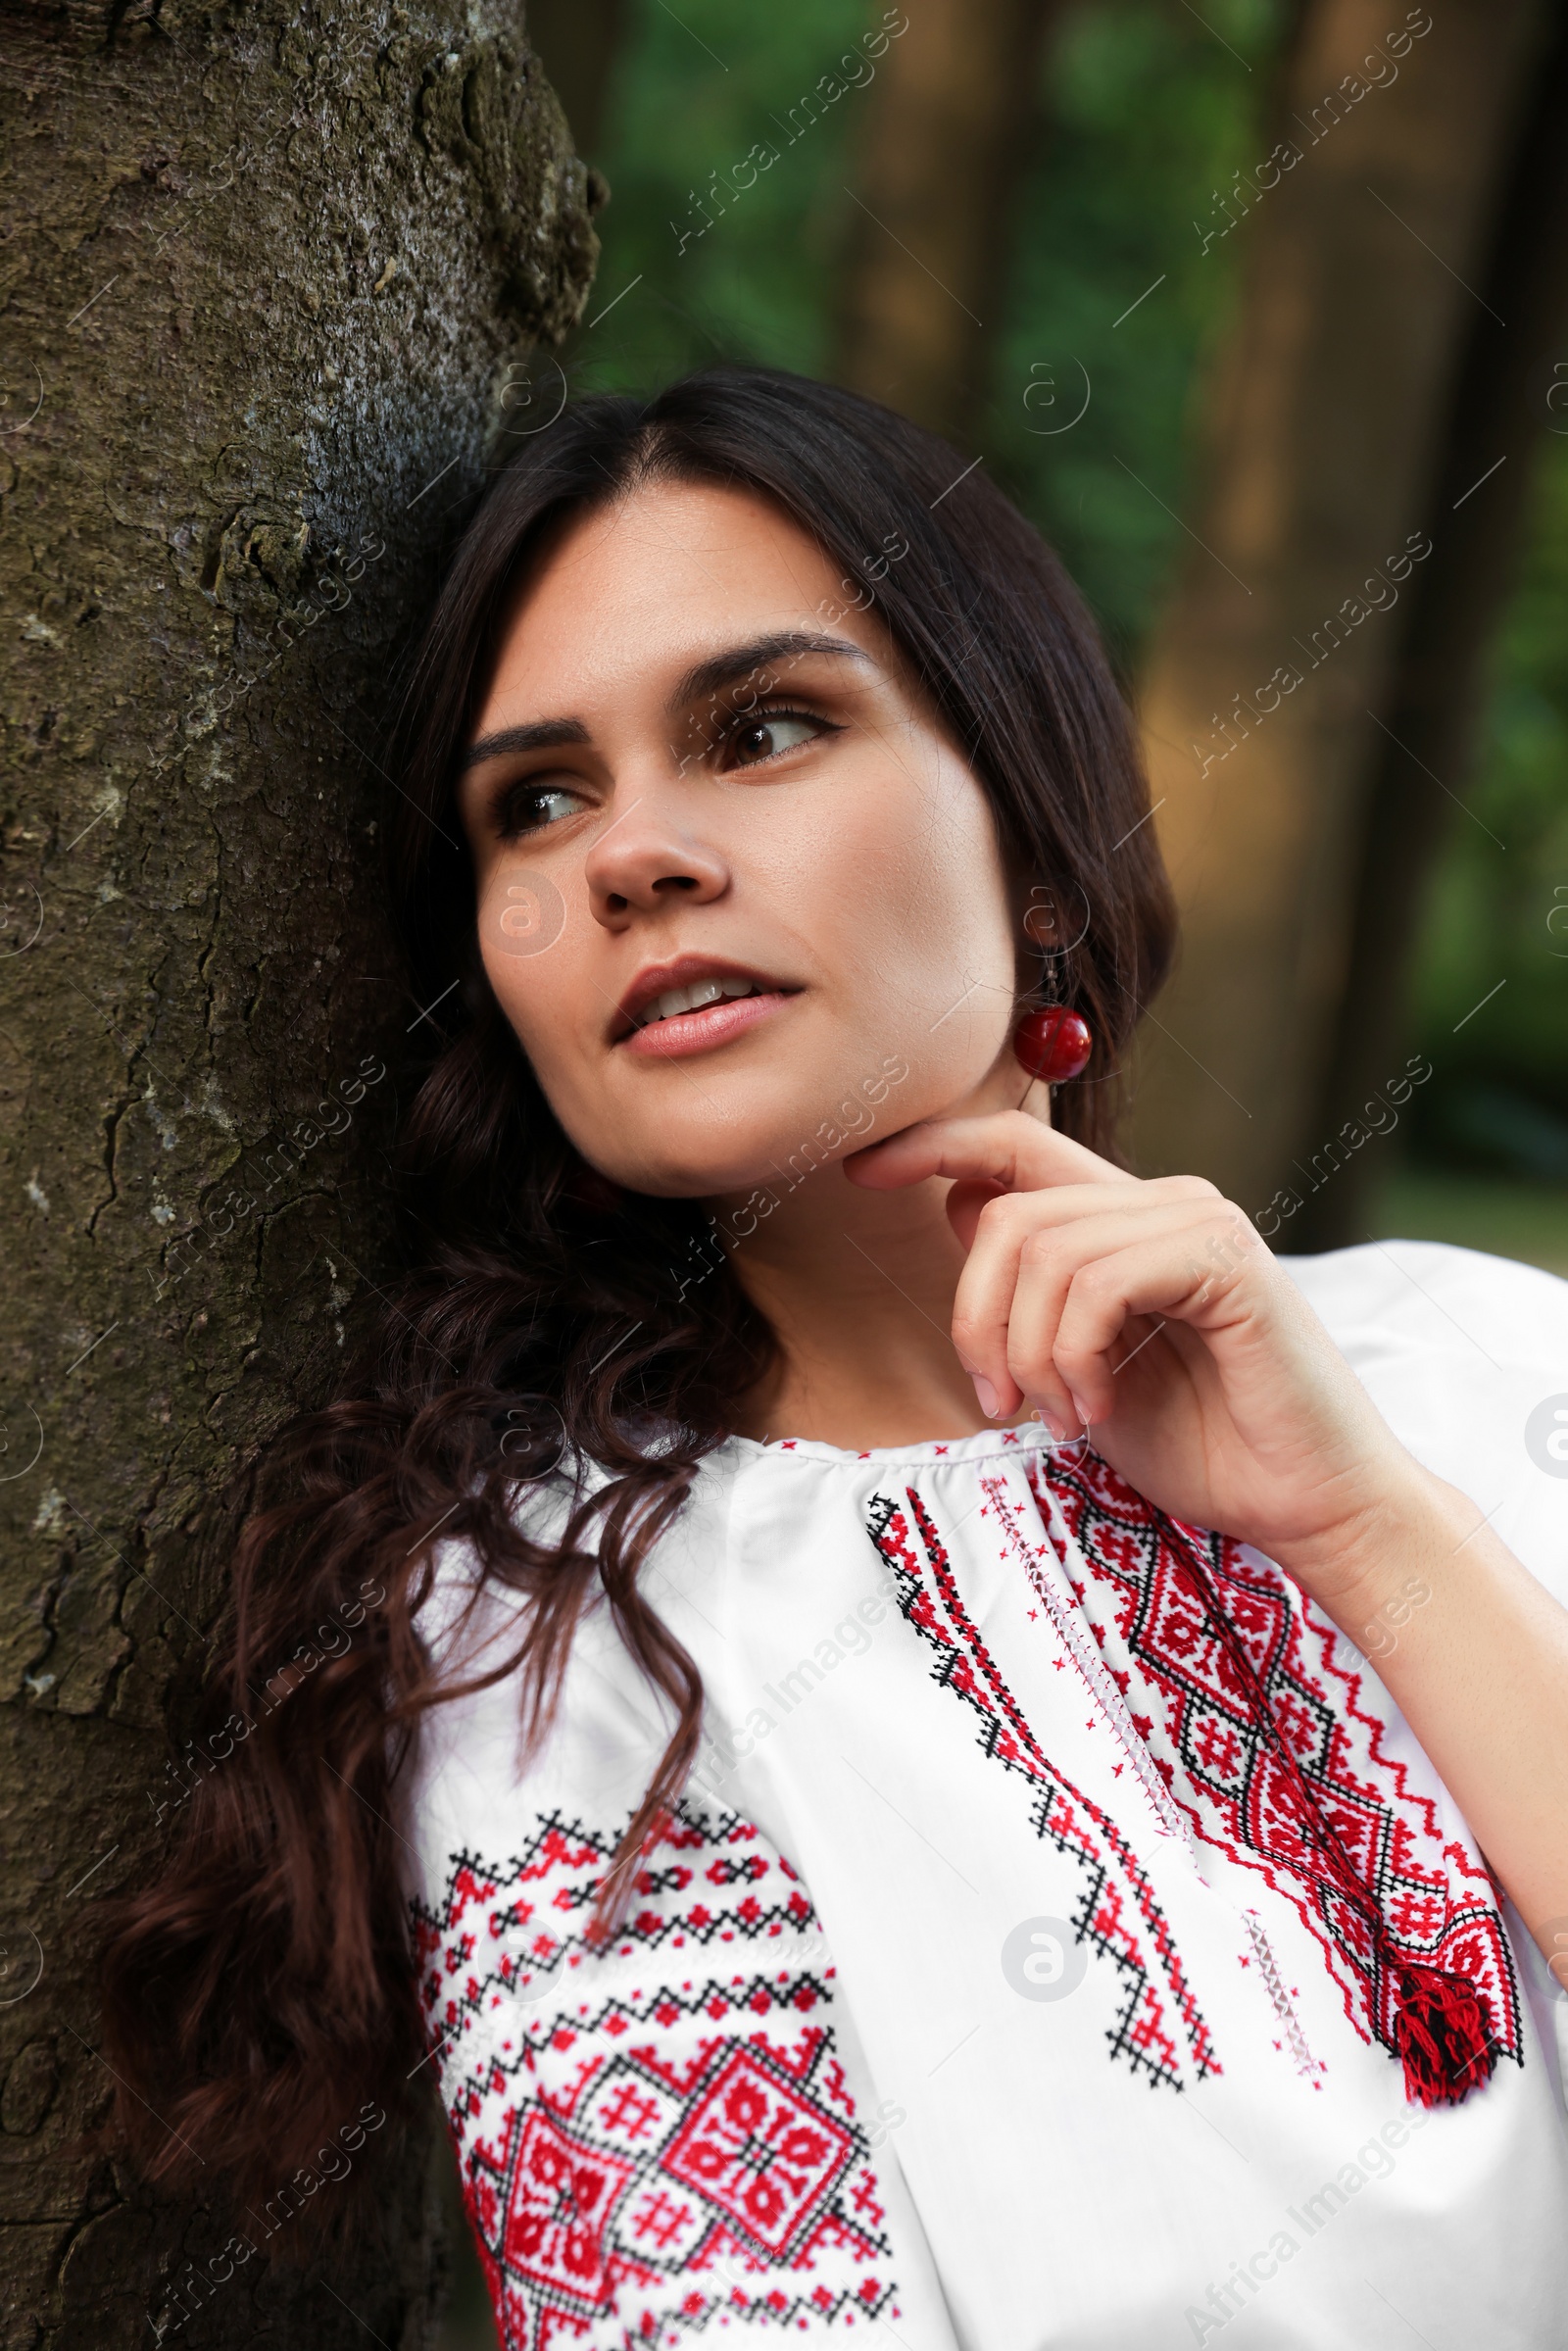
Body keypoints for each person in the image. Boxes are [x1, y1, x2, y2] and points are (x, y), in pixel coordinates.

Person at [104, 369, 1568, 2350]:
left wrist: (1364, 1527)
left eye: (761, 728)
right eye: (537, 800)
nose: (630, 855)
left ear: (1031, 844)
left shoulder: (1481, 1363)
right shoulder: (561, 1638)